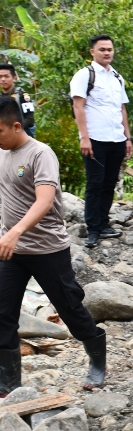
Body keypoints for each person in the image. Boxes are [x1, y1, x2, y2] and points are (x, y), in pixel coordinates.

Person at [0, 97, 107, 396]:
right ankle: (8, 384)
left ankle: (98, 359)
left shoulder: (40, 154)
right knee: (3, 313)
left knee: (70, 309)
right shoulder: (2, 152)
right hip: (13, 252)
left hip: (47, 250)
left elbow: (45, 201)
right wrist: (10, 235)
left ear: (16, 126)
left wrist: (16, 231)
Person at [70, 35, 132, 249]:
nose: (107, 53)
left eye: (110, 49)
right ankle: (93, 229)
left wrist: (128, 138)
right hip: (95, 138)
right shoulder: (84, 75)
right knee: (95, 184)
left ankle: (104, 224)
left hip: (116, 138)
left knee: (109, 183)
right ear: (92, 52)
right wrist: (84, 138)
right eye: (102, 49)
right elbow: (78, 106)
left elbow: (122, 108)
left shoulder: (117, 77)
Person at [0, 64, 35, 137]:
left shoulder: (22, 95)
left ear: (14, 78)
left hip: (22, 137)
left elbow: (30, 119)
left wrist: (12, 130)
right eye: (0, 77)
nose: (3, 79)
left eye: (6, 76)